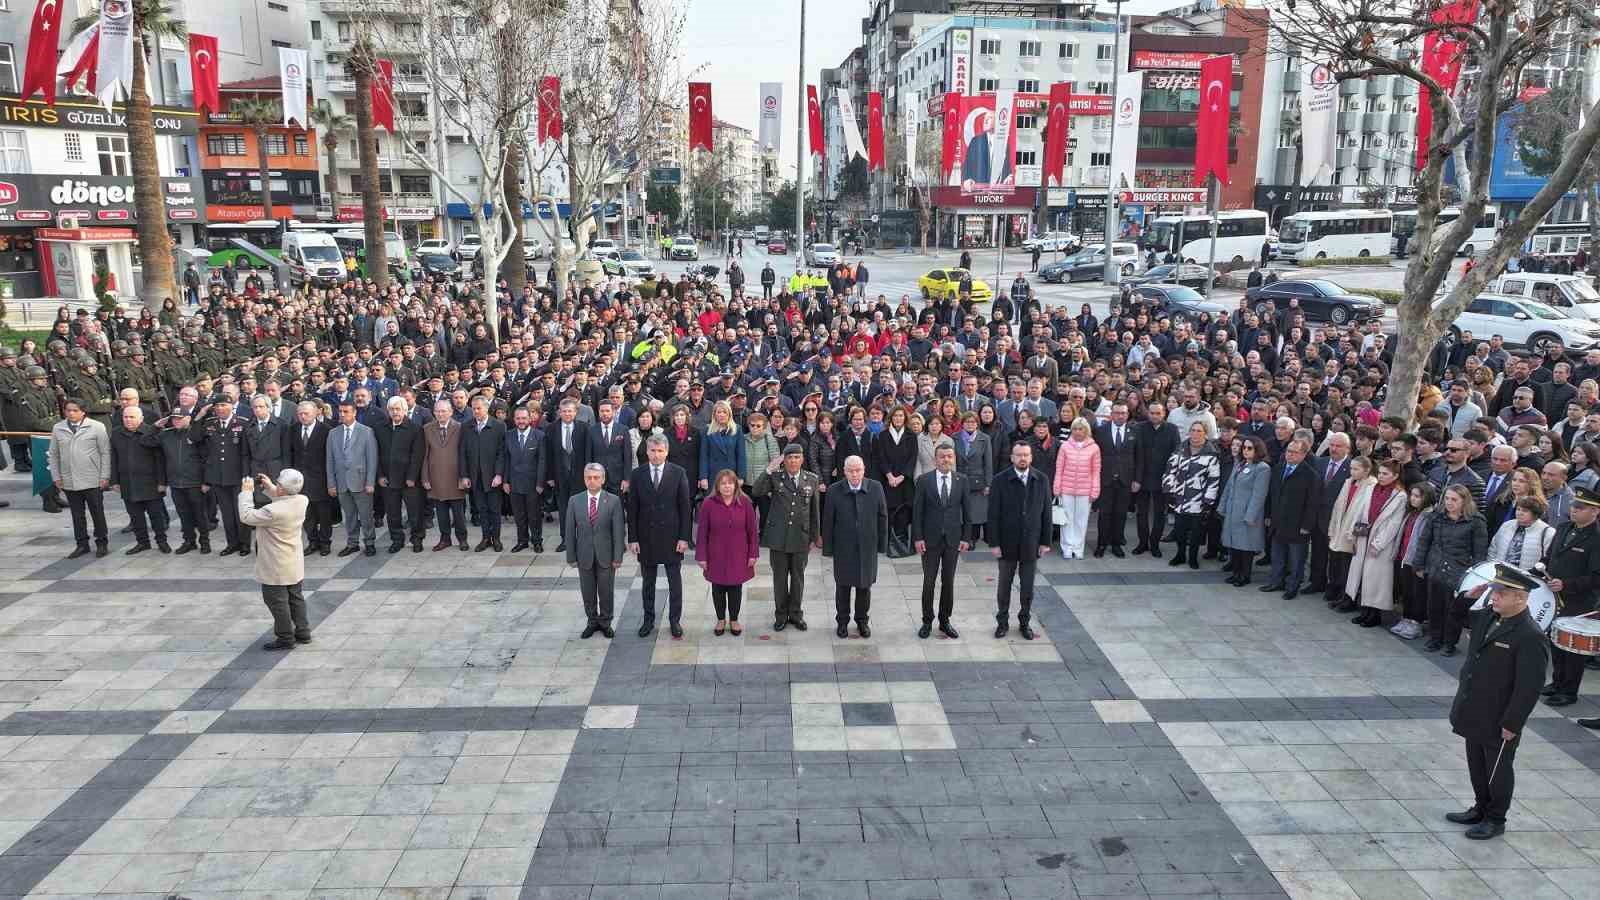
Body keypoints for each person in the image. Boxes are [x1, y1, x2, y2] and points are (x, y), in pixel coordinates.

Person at [1448, 563, 1548, 840]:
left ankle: (1495, 819)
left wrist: (1512, 723)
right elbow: (1457, 618)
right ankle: (1480, 808)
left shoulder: (1530, 635)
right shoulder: (1490, 617)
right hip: (1474, 707)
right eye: (1494, 590)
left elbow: (1529, 687)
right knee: (1477, 765)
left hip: (1499, 716)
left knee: (1497, 771)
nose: (1494, 596)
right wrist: (1467, 597)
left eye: (1501, 592)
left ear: (1521, 597)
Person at [1539, 484, 1600, 707]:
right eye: (1574, 505)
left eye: (1581, 507)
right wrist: (1543, 568)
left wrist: (1567, 584)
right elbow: (1550, 556)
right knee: (1556, 641)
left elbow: (1596, 577)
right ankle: (1557, 682)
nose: (1574, 510)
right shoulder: (1564, 528)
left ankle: (1569, 690)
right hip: (1555, 596)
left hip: (1579, 601)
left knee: (1573, 648)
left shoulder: (1596, 538)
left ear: (1595, 511)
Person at [627, 435, 693, 638]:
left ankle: (675, 621)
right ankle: (648, 620)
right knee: (648, 583)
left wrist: (684, 537)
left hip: (672, 536)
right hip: (646, 537)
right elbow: (632, 508)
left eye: (660, 451)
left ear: (666, 451)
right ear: (647, 452)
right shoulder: (637, 474)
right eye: (653, 451)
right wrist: (633, 538)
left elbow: (685, 507)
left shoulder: (678, 472)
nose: (656, 455)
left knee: (675, 582)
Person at [238, 470, 311, 651]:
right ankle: (303, 632)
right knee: (296, 598)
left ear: (282, 489)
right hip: (293, 561)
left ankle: (285, 638)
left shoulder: (272, 511)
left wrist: (246, 492)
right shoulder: (302, 500)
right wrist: (271, 488)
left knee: (277, 602)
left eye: (278, 485)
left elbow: (246, 516)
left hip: (275, 565)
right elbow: (285, 499)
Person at [1413, 483, 1489, 655]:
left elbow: (1479, 551)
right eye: (1446, 498)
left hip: (1459, 571)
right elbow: (1424, 542)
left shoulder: (1476, 521)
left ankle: (1449, 643)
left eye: (1454, 499)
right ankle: (1435, 638)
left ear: (1464, 501)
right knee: (1434, 606)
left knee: (1453, 610)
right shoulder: (1436, 517)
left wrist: (1477, 576)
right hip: (1436, 567)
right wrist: (1419, 564)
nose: (1449, 503)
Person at [752, 442, 821, 631]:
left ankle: (796, 614)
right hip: (779, 538)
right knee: (780, 579)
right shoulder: (775, 478)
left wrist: (816, 536)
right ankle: (781, 615)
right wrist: (768, 469)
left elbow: (814, 510)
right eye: (789, 457)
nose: (793, 461)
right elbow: (757, 491)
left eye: (797, 457)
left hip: (800, 537)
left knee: (798, 578)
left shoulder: (811, 479)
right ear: (784, 460)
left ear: (802, 459)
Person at [988, 440, 1053, 639]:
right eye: (1019, 455)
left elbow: (1046, 513)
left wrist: (1045, 542)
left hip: (1031, 542)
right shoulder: (1000, 480)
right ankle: (1002, 622)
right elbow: (993, 514)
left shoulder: (1041, 479)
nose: (1022, 458)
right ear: (1012, 457)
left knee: (1027, 587)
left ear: (1031, 457)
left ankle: (1024, 622)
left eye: (1026, 455)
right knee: (1004, 586)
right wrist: (994, 543)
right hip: (1007, 542)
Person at [822, 455, 888, 638]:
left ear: (864, 470)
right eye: (850, 471)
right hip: (844, 547)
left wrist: (881, 545)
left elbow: (882, 517)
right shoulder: (835, 490)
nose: (854, 474)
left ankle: (862, 621)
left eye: (858, 470)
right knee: (842, 587)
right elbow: (828, 521)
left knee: (864, 587)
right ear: (844, 472)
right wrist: (828, 548)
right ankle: (842, 621)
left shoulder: (875, 488)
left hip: (867, 547)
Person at [1344, 458, 1412, 627]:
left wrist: (1378, 544)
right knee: (1362, 576)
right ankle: (1364, 611)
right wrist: (1354, 534)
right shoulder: (1371, 488)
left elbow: (1393, 524)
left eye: (1385, 474)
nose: (1381, 476)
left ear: (1395, 476)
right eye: (1379, 473)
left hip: (1381, 544)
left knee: (1375, 580)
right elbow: (1360, 512)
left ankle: (1374, 615)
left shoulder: (1400, 496)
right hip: (1363, 537)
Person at [911, 440, 968, 638]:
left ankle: (945, 621)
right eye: (942, 457)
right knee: (929, 581)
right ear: (935, 460)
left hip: (952, 540)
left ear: (954, 459)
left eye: (949, 456)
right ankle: (927, 621)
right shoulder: (924, 481)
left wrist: (966, 538)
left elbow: (967, 513)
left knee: (948, 582)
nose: (946, 460)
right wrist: (918, 538)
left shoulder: (962, 480)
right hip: (930, 540)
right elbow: (917, 512)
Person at [696, 468, 760, 636]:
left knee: (735, 588)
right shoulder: (708, 504)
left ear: (735, 485)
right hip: (715, 553)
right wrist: (701, 556)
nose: (727, 487)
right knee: (717, 587)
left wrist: (753, 553)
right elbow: (702, 532)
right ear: (717, 486)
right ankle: (720, 619)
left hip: (739, 553)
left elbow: (752, 531)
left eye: (730, 483)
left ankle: (734, 619)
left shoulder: (745, 502)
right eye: (723, 483)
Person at [568, 462, 625, 639]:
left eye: (596, 478)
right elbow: (570, 531)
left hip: (606, 555)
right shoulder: (575, 501)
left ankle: (606, 622)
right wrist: (571, 555)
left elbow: (618, 531)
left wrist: (618, 557)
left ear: (603, 479)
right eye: (588, 478)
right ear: (584, 479)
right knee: (588, 591)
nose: (592, 481)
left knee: (606, 590)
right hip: (584, 554)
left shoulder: (613, 501)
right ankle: (592, 621)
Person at [50, 398, 112, 559]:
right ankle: (82, 544)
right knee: (77, 515)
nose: (71, 413)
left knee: (97, 513)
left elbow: (105, 452)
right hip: (69, 480)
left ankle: (102, 542)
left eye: (75, 410)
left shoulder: (97, 427)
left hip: (92, 478)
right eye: (68, 410)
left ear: (83, 411)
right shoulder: (58, 428)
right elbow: (54, 455)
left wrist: (105, 475)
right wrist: (56, 476)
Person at [191, 397, 250, 556]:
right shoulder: (210, 423)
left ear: (231, 406)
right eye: (217, 406)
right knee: (227, 513)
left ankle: (245, 544)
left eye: (223, 405)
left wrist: (246, 475)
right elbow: (194, 437)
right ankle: (232, 543)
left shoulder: (242, 423)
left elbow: (246, 453)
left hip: (237, 475)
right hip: (217, 476)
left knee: (240, 512)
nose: (220, 408)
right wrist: (199, 416)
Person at [108, 405, 170, 554]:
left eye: (132, 417)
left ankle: (162, 541)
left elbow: (160, 460)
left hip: (150, 483)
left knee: (156, 516)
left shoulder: (150, 432)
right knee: (135, 517)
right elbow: (114, 458)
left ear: (141, 419)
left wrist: (162, 482)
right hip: (128, 482)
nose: (128, 420)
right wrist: (114, 481)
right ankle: (142, 542)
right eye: (125, 417)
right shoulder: (117, 433)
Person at [1262, 439, 1318, 599]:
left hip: (1297, 524)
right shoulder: (1279, 469)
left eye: (1294, 452)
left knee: (1296, 559)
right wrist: (1268, 515)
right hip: (1278, 521)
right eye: (1288, 451)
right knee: (1277, 554)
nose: (1290, 455)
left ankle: (1293, 586)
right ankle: (1276, 581)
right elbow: (1271, 495)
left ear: (1304, 454)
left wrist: (1307, 525)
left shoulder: (1310, 475)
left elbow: (1312, 503)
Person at [1162, 422, 1222, 569]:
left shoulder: (1211, 454)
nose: (1195, 434)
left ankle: (1193, 558)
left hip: (1199, 500)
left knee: (1196, 533)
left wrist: (1208, 501)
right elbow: (1170, 471)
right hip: (1180, 498)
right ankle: (1180, 555)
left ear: (1205, 434)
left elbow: (1213, 480)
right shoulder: (1180, 449)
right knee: (1180, 530)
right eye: (1193, 430)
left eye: (1199, 431)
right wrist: (1169, 491)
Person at [327, 399, 379, 557]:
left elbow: (372, 458)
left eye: (346, 412)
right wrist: (331, 483)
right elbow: (329, 460)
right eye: (340, 412)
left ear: (354, 412)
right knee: (348, 515)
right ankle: (352, 543)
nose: (342, 415)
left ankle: (369, 542)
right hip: (341, 481)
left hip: (361, 481)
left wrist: (370, 482)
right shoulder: (333, 433)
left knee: (365, 515)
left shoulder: (366, 431)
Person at [1220, 437, 1271, 586]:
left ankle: (1245, 575)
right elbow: (1229, 487)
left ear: (1258, 450)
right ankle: (1236, 573)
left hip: (1246, 513)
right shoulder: (1240, 464)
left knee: (1246, 547)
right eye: (1244, 448)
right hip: (1232, 511)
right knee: (1234, 545)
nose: (1246, 451)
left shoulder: (1262, 468)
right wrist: (1222, 506)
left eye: (1250, 448)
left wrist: (1250, 515)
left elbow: (1259, 495)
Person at [460, 396, 508, 552]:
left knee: (494, 509)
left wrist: (499, 474)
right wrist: (465, 475)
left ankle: (497, 539)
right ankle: (485, 538)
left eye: (479, 408)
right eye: (473, 408)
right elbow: (462, 453)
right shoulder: (466, 426)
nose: (476, 411)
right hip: (475, 476)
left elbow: (502, 453)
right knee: (482, 509)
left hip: (492, 477)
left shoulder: (499, 426)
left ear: (487, 408)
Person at [546, 399, 594, 553]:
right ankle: (565, 540)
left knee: (581, 509)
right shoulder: (552, 428)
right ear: (560, 412)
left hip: (580, 476)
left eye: (570, 411)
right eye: (564, 411)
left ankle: (583, 539)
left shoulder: (584, 428)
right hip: (560, 476)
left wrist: (588, 474)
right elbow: (549, 454)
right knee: (564, 509)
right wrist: (550, 476)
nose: (567, 414)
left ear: (575, 412)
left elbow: (588, 452)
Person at [423, 399, 469, 551]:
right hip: (436, 478)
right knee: (441, 513)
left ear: (450, 412)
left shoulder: (460, 427)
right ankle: (445, 539)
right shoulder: (427, 429)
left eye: (443, 411)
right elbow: (424, 456)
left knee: (458, 514)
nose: (440, 414)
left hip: (455, 477)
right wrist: (425, 478)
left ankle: (462, 539)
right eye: (437, 411)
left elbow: (465, 454)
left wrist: (464, 476)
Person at [1051, 417, 1100, 559]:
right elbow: (1059, 468)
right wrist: (1057, 487)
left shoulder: (1094, 448)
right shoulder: (1065, 446)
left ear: (1086, 431)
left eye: (1081, 429)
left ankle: (1078, 548)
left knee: (1081, 521)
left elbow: (1096, 471)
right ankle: (1067, 547)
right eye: (1075, 429)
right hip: (1066, 489)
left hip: (1085, 490)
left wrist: (1095, 490)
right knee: (1066, 520)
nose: (1078, 432)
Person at [289, 401, 333, 556]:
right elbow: (290, 453)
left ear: (316, 413)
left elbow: (330, 457)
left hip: (321, 478)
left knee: (324, 514)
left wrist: (331, 480)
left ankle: (325, 542)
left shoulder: (326, 430)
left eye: (306, 413)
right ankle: (312, 541)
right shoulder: (293, 429)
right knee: (306, 514)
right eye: (300, 414)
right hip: (300, 480)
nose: (302, 416)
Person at [1094, 403, 1137, 557]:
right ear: (1111, 414)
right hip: (1105, 478)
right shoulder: (1100, 431)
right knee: (1104, 513)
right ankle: (1101, 544)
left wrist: (1136, 479)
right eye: (1117, 413)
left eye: (1123, 413)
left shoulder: (1135, 431)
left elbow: (1138, 456)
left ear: (1127, 415)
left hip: (1126, 479)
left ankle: (1116, 544)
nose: (1120, 416)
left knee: (1120, 513)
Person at [503, 406, 547, 552]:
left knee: (534, 515)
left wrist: (540, 483)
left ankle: (537, 541)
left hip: (533, 484)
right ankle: (522, 541)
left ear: (530, 419)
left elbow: (542, 461)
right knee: (519, 515)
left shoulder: (539, 436)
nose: (521, 421)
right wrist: (505, 481)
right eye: (518, 418)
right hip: (514, 483)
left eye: (524, 418)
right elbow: (506, 460)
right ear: (514, 420)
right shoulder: (509, 435)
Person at [954, 412, 993, 546]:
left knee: (975, 511)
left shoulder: (984, 438)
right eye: (967, 422)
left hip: (978, 480)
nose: (970, 424)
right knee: (960, 510)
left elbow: (988, 463)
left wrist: (988, 483)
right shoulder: (955, 437)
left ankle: (972, 539)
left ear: (977, 424)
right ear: (962, 424)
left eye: (973, 422)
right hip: (959, 478)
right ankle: (962, 537)